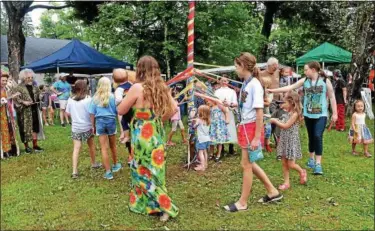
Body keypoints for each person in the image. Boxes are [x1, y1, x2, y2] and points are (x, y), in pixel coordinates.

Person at [117, 56, 179, 222]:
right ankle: (150, 205)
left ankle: (166, 207)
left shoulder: (137, 88)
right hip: (156, 133)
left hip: (141, 136)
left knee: (142, 171)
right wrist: (158, 119)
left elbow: (122, 110)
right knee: (156, 171)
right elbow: (174, 108)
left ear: (139, 69)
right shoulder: (162, 87)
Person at [224, 52, 282, 213]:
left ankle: (242, 202)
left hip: (251, 129)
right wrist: (234, 106)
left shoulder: (254, 84)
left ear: (243, 66)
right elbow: (248, 107)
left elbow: (259, 112)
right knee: (250, 163)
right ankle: (272, 191)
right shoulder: (247, 83)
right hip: (245, 126)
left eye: (236, 66)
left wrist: (257, 137)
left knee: (246, 165)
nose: (235, 69)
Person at [268, 61, 338, 175]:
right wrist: (272, 90)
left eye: (306, 70)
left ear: (313, 70)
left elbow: (332, 97)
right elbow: (289, 87)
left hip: (321, 115)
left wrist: (335, 113)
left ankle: (318, 164)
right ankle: (311, 158)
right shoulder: (305, 81)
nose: (304, 72)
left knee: (317, 136)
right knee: (311, 136)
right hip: (308, 114)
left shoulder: (326, 81)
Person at [270, 92, 307, 190]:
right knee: (284, 162)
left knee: (291, 164)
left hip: (291, 141)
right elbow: (284, 122)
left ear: (291, 103)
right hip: (284, 139)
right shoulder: (287, 113)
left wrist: (275, 121)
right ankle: (286, 183)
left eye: (284, 102)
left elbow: (286, 126)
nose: (282, 104)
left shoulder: (295, 114)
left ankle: (301, 171)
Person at [65, 80, 102, 178]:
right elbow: (92, 113)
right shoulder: (89, 99)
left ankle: (74, 171)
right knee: (91, 145)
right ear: (85, 88)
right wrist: (93, 125)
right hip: (87, 127)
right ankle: (94, 163)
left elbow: (67, 113)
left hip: (76, 127)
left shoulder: (70, 99)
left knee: (76, 148)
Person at [89, 77, 121, 180]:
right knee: (113, 145)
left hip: (100, 122)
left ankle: (108, 172)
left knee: (103, 148)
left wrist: (92, 126)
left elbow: (92, 113)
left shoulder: (95, 98)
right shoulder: (112, 97)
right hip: (111, 121)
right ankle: (115, 165)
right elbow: (118, 112)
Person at [13, 69, 45, 154]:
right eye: (28, 78)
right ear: (23, 78)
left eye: (31, 77)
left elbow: (38, 96)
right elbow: (15, 98)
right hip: (24, 112)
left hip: (34, 109)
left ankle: (35, 145)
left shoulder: (35, 87)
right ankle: (27, 147)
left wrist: (40, 96)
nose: (30, 79)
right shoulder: (18, 87)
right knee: (24, 129)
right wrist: (23, 102)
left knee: (35, 127)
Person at [214, 75, 238, 156]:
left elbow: (235, 103)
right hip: (219, 113)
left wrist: (229, 104)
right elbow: (214, 102)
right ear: (220, 81)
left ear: (228, 82)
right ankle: (222, 148)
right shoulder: (216, 91)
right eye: (222, 81)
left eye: (225, 81)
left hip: (229, 112)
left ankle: (231, 147)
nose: (224, 82)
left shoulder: (232, 91)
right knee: (221, 129)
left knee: (230, 129)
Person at [113, 69, 134, 157]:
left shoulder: (119, 89)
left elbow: (118, 99)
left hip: (126, 109)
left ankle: (126, 136)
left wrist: (117, 103)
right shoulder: (132, 85)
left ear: (114, 80)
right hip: (133, 108)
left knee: (124, 122)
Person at [1, 71, 20, 158]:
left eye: (6, 80)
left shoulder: (5, 89)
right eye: (3, 80)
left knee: (8, 131)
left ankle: (7, 150)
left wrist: (11, 97)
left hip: (7, 114)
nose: (4, 82)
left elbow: (7, 100)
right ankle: (3, 151)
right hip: (1, 115)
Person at [193, 105, 211, 171]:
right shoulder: (208, 120)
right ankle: (205, 164)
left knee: (200, 153)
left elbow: (194, 126)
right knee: (205, 152)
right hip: (207, 139)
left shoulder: (199, 120)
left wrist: (194, 123)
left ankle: (202, 167)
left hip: (201, 139)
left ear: (201, 112)